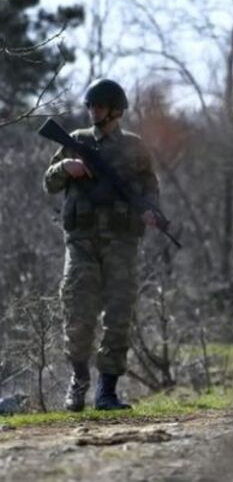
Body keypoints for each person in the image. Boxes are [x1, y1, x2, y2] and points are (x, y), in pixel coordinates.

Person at [43, 78, 160, 411]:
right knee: (78, 313)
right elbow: (48, 183)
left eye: (100, 106)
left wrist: (152, 210)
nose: (93, 111)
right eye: (90, 106)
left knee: (119, 316)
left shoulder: (136, 147)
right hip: (81, 242)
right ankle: (78, 382)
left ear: (116, 110)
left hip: (122, 243)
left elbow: (151, 187)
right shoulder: (76, 141)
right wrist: (65, 167)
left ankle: (107, 391)